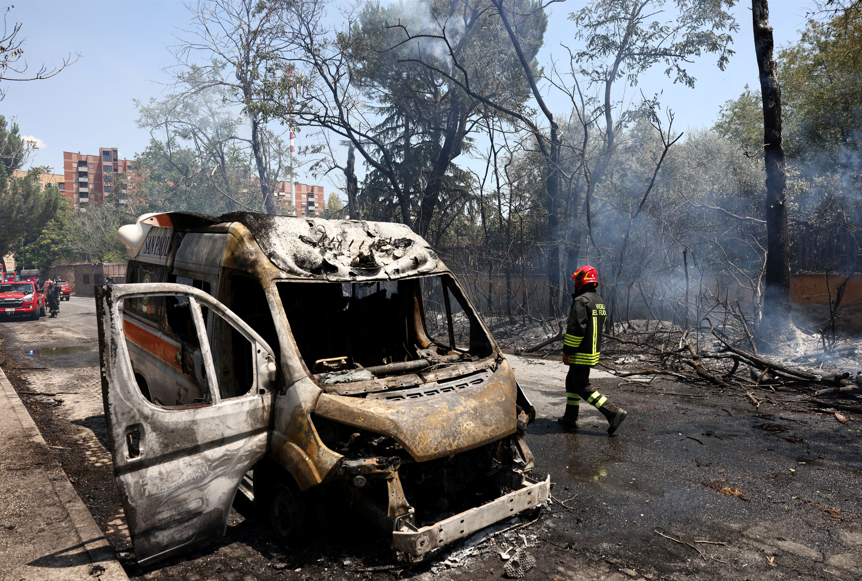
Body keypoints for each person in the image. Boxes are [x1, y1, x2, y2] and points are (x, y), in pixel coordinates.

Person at [559, 265, 627, 435]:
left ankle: (613, 412)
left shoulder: (581, 301)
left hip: (579, 352)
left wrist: (567, 351)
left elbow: (576, 329)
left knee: (582, 386)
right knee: (571, 382)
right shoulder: (598, 300)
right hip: (591, 351)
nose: (575, 285)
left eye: (576, 282)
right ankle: (570, 417)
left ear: (581, 281)